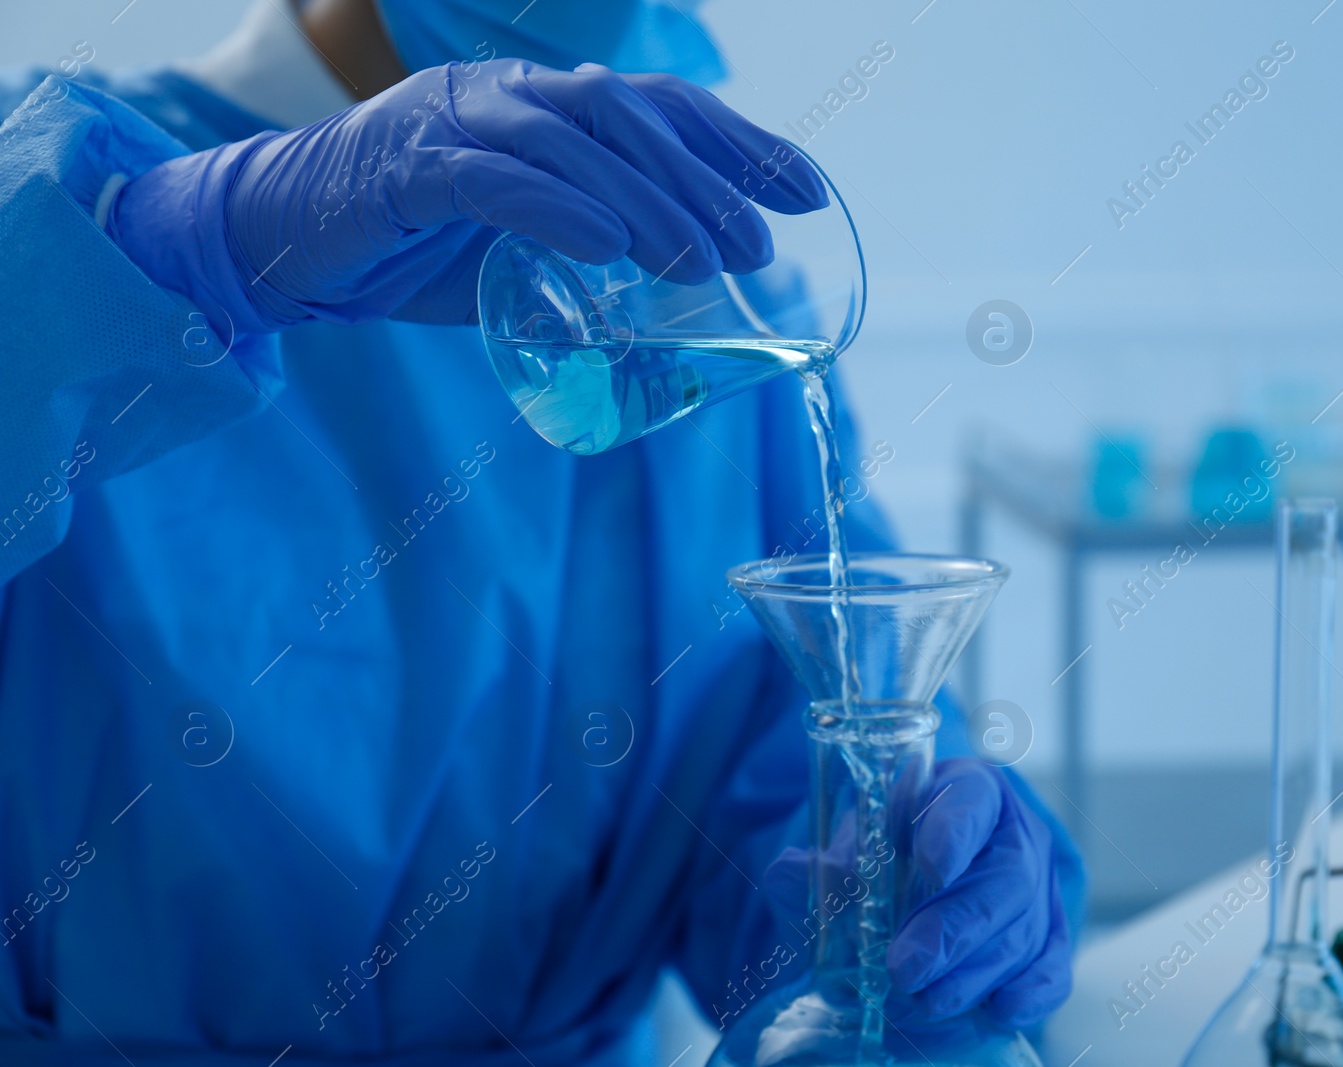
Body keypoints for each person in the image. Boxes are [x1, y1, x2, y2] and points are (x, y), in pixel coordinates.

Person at [0, 0, 1083, 1062]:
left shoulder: (697, 309)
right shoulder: (51, 199)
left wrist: (908, 894)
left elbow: (780, 771)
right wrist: (171, 249)